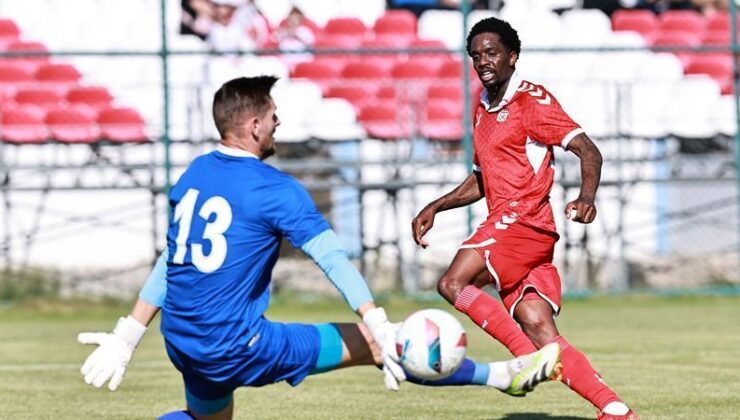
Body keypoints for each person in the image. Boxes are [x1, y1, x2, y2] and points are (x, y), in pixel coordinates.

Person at [78, 76, 562, 420]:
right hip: (237, 346)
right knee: (382, 346)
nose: (278, 122)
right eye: (272, 116)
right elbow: (331, 258)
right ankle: (504, 377)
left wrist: (127, 335)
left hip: (182, 341)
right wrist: (377, 324)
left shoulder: (194, 175)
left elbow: (172, 258)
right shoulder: (273, 188)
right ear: (252, 126)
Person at [410, 17, 638, 420]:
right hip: (514, 230)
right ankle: (615, 409)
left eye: (492, 52)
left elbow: (589, 150)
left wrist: (587, 197)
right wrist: (436, 206)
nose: (484, 61)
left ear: (513, 57)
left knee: (452, 282)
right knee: (538, 327)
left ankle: (521, 361)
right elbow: (482, 180)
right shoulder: (482, 109)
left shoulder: (531, 101)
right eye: (477, 55)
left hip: (525, 221)